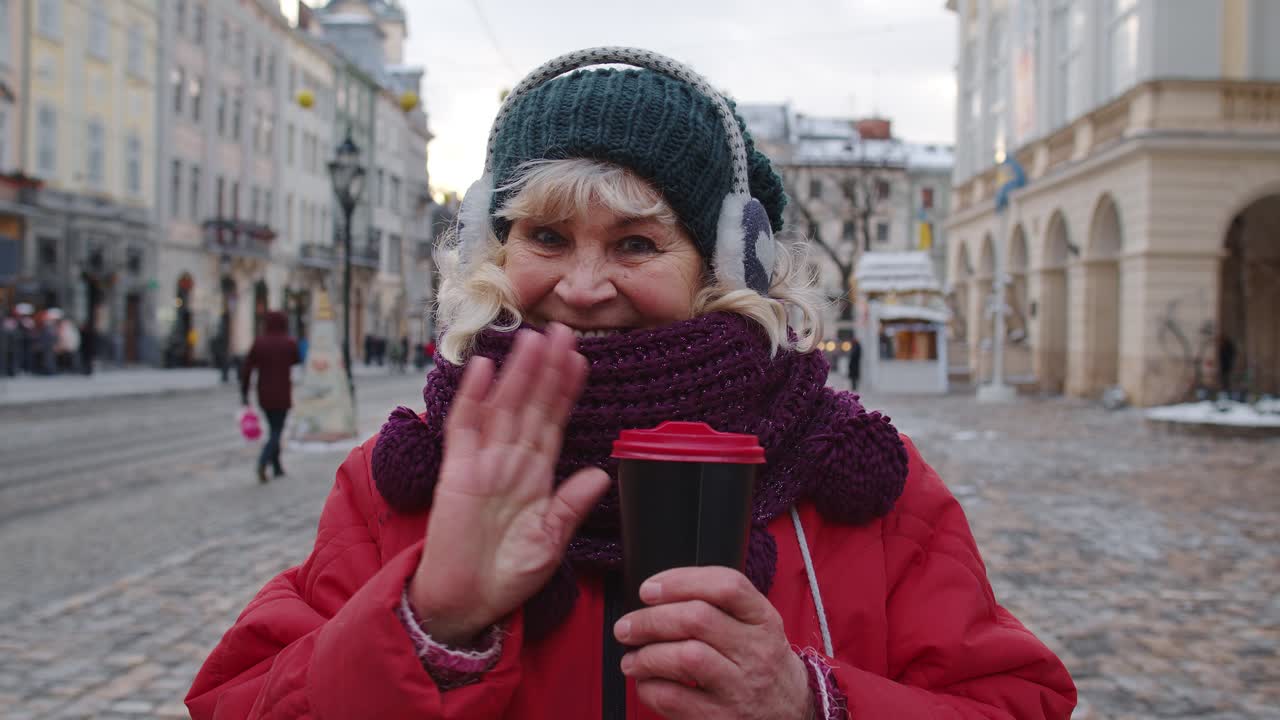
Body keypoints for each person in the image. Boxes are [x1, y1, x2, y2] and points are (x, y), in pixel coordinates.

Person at [188, 48, 1075, 719]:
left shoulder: (851, 476)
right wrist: (426, 622)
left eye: (637, 243)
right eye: (544, 238)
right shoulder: (409, 475)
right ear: (490, 252)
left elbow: (1016, 700)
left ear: (724, 266)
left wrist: (809, 703)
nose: (580, 286)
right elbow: (235, 699)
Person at [239, 310, 301, 484]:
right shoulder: (289, 342)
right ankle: (263, 461)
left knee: (273, 428)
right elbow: (297, 360)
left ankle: (277, 466)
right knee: (277, 430)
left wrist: (244, 392)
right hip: (282, 393)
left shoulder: (260, 342)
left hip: (264, 393)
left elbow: (247, 369)